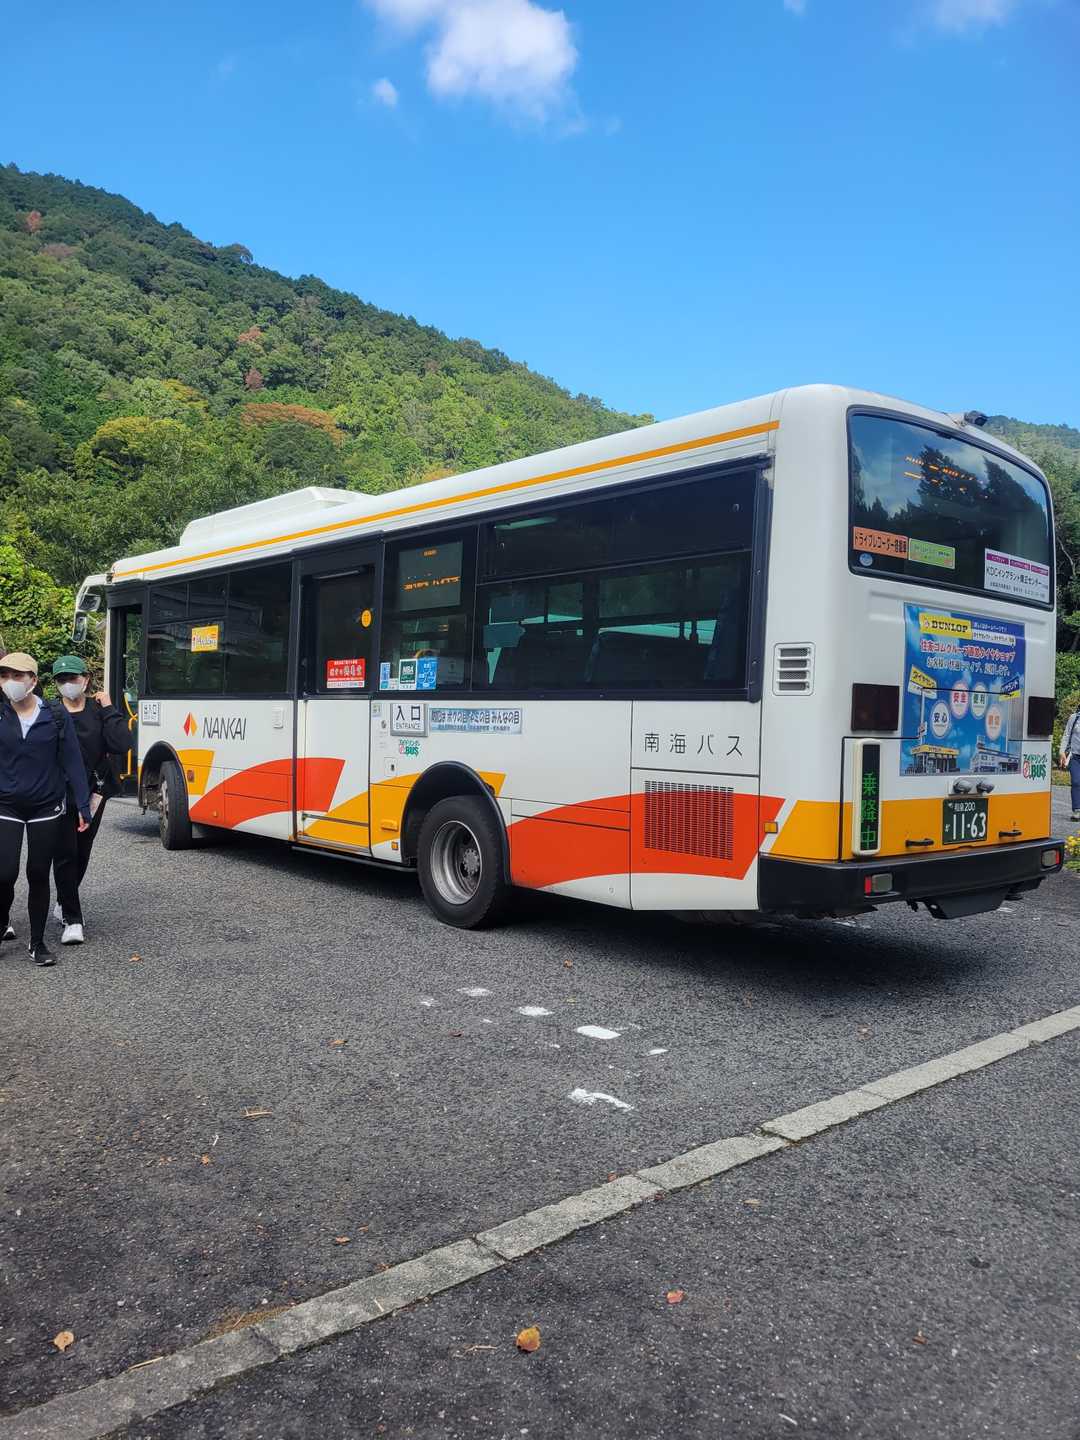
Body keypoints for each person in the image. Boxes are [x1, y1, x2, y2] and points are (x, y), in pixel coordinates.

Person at [0, 652, 91, 967]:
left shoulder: (54, 715)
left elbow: (72, 760)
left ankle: (36, 943)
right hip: (6, 804)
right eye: (4, 676)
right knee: (4, 873)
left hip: (46, 805)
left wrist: (83, 804)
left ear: (33, 680)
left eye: (17, 675)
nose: (10, 682)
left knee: (38, 873)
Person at [50, 654, 130, 945]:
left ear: (85, 679)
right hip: (60, 792)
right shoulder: (51, 712)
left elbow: (121, 743)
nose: (68, 684)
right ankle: (73, 919)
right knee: (65, 852)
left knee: (82, 850)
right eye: (62, 679)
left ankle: (64, 900)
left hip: (95, 790)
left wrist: (108, 707)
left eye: (73, 678)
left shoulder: (98, 711)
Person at [1060, 701, 1080, 823]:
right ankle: (1077, 810)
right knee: (1076, 781)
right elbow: (1066, 735)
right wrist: (1062, 751)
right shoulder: (1074, 717)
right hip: (1075, 756)